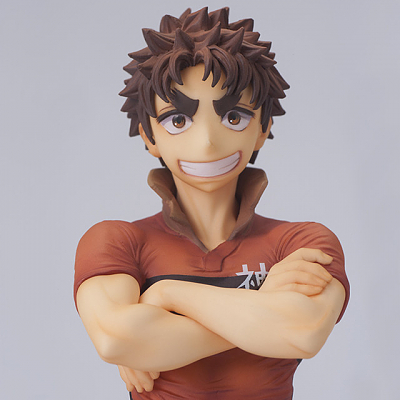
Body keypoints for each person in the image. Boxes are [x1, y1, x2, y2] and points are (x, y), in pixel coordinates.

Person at [74, 7, 350, 399]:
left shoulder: (302, 244)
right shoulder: (116, 242)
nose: (206, 142)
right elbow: (117, 339)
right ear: (149, 136)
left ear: (263, 129)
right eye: (177, 120)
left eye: (234, 117)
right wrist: (262, 304)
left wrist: (166, 296)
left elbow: (302, 332)